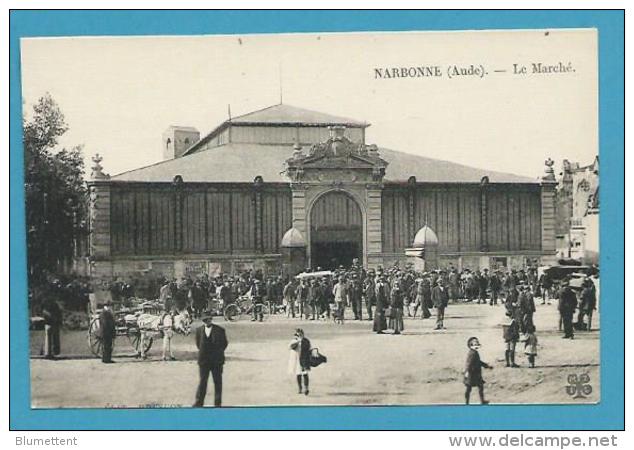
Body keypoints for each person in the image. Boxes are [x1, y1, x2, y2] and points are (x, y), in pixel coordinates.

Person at [193, 314, 228, 407]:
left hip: (216, 361)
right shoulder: (199, 330)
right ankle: (199, 402)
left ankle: (217, 403)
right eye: (204, 320)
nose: (206, 322)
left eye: (208, 319)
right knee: (202, 381)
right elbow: (198, 344)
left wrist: (217, 353)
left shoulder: (220, 330)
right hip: (203, 361)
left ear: (211, 319)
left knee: (217, 382)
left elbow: (224, 344)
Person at [463, 337, 492, 405]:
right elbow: (469, 363)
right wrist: (467, 372)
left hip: (474, 373)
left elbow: (478, 362)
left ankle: (469, 402)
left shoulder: (474, 352)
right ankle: (479, 401)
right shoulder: (472, 353)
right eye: (475, 344)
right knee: (472, 388)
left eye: (477, 343)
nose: (477, 345)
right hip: (472, 373)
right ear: (471, 345)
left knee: (472, 388)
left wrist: (486, 366)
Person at [288, 328, 311, 395]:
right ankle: (300, 388)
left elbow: (309, 348)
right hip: (296, 359)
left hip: (304, 359)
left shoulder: (306, 341)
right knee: (298, 374)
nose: (300, 335)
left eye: (301, 334)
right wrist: (298, 342)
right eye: (298, 334)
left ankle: (306, 388)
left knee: (305, 373)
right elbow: (291, 347)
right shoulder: (293, 341)